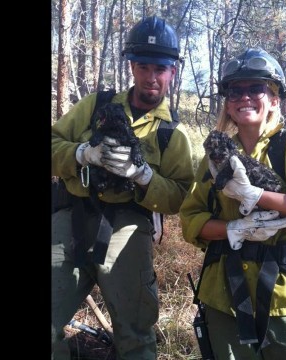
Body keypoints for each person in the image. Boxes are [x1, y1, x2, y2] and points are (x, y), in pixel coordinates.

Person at [51, 15, 195, 360]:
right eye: (143, 66)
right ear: (131, 67)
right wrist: (82, 154)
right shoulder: (95, 106)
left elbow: (179, 195)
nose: (151, 77)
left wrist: (144, 176)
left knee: (135, 334)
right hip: (70, 218)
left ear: (172, 72)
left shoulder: (172, 133)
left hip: (127, 229)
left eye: (160, 69)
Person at [179, 47, 286, 360]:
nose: (244, 97)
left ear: (274, 99)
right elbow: (190, 221)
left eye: (256, 88)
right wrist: (235, 228)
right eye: (234, 91)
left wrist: (257, 195)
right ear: (227, 104)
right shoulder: (214, 158)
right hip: (223, 298)